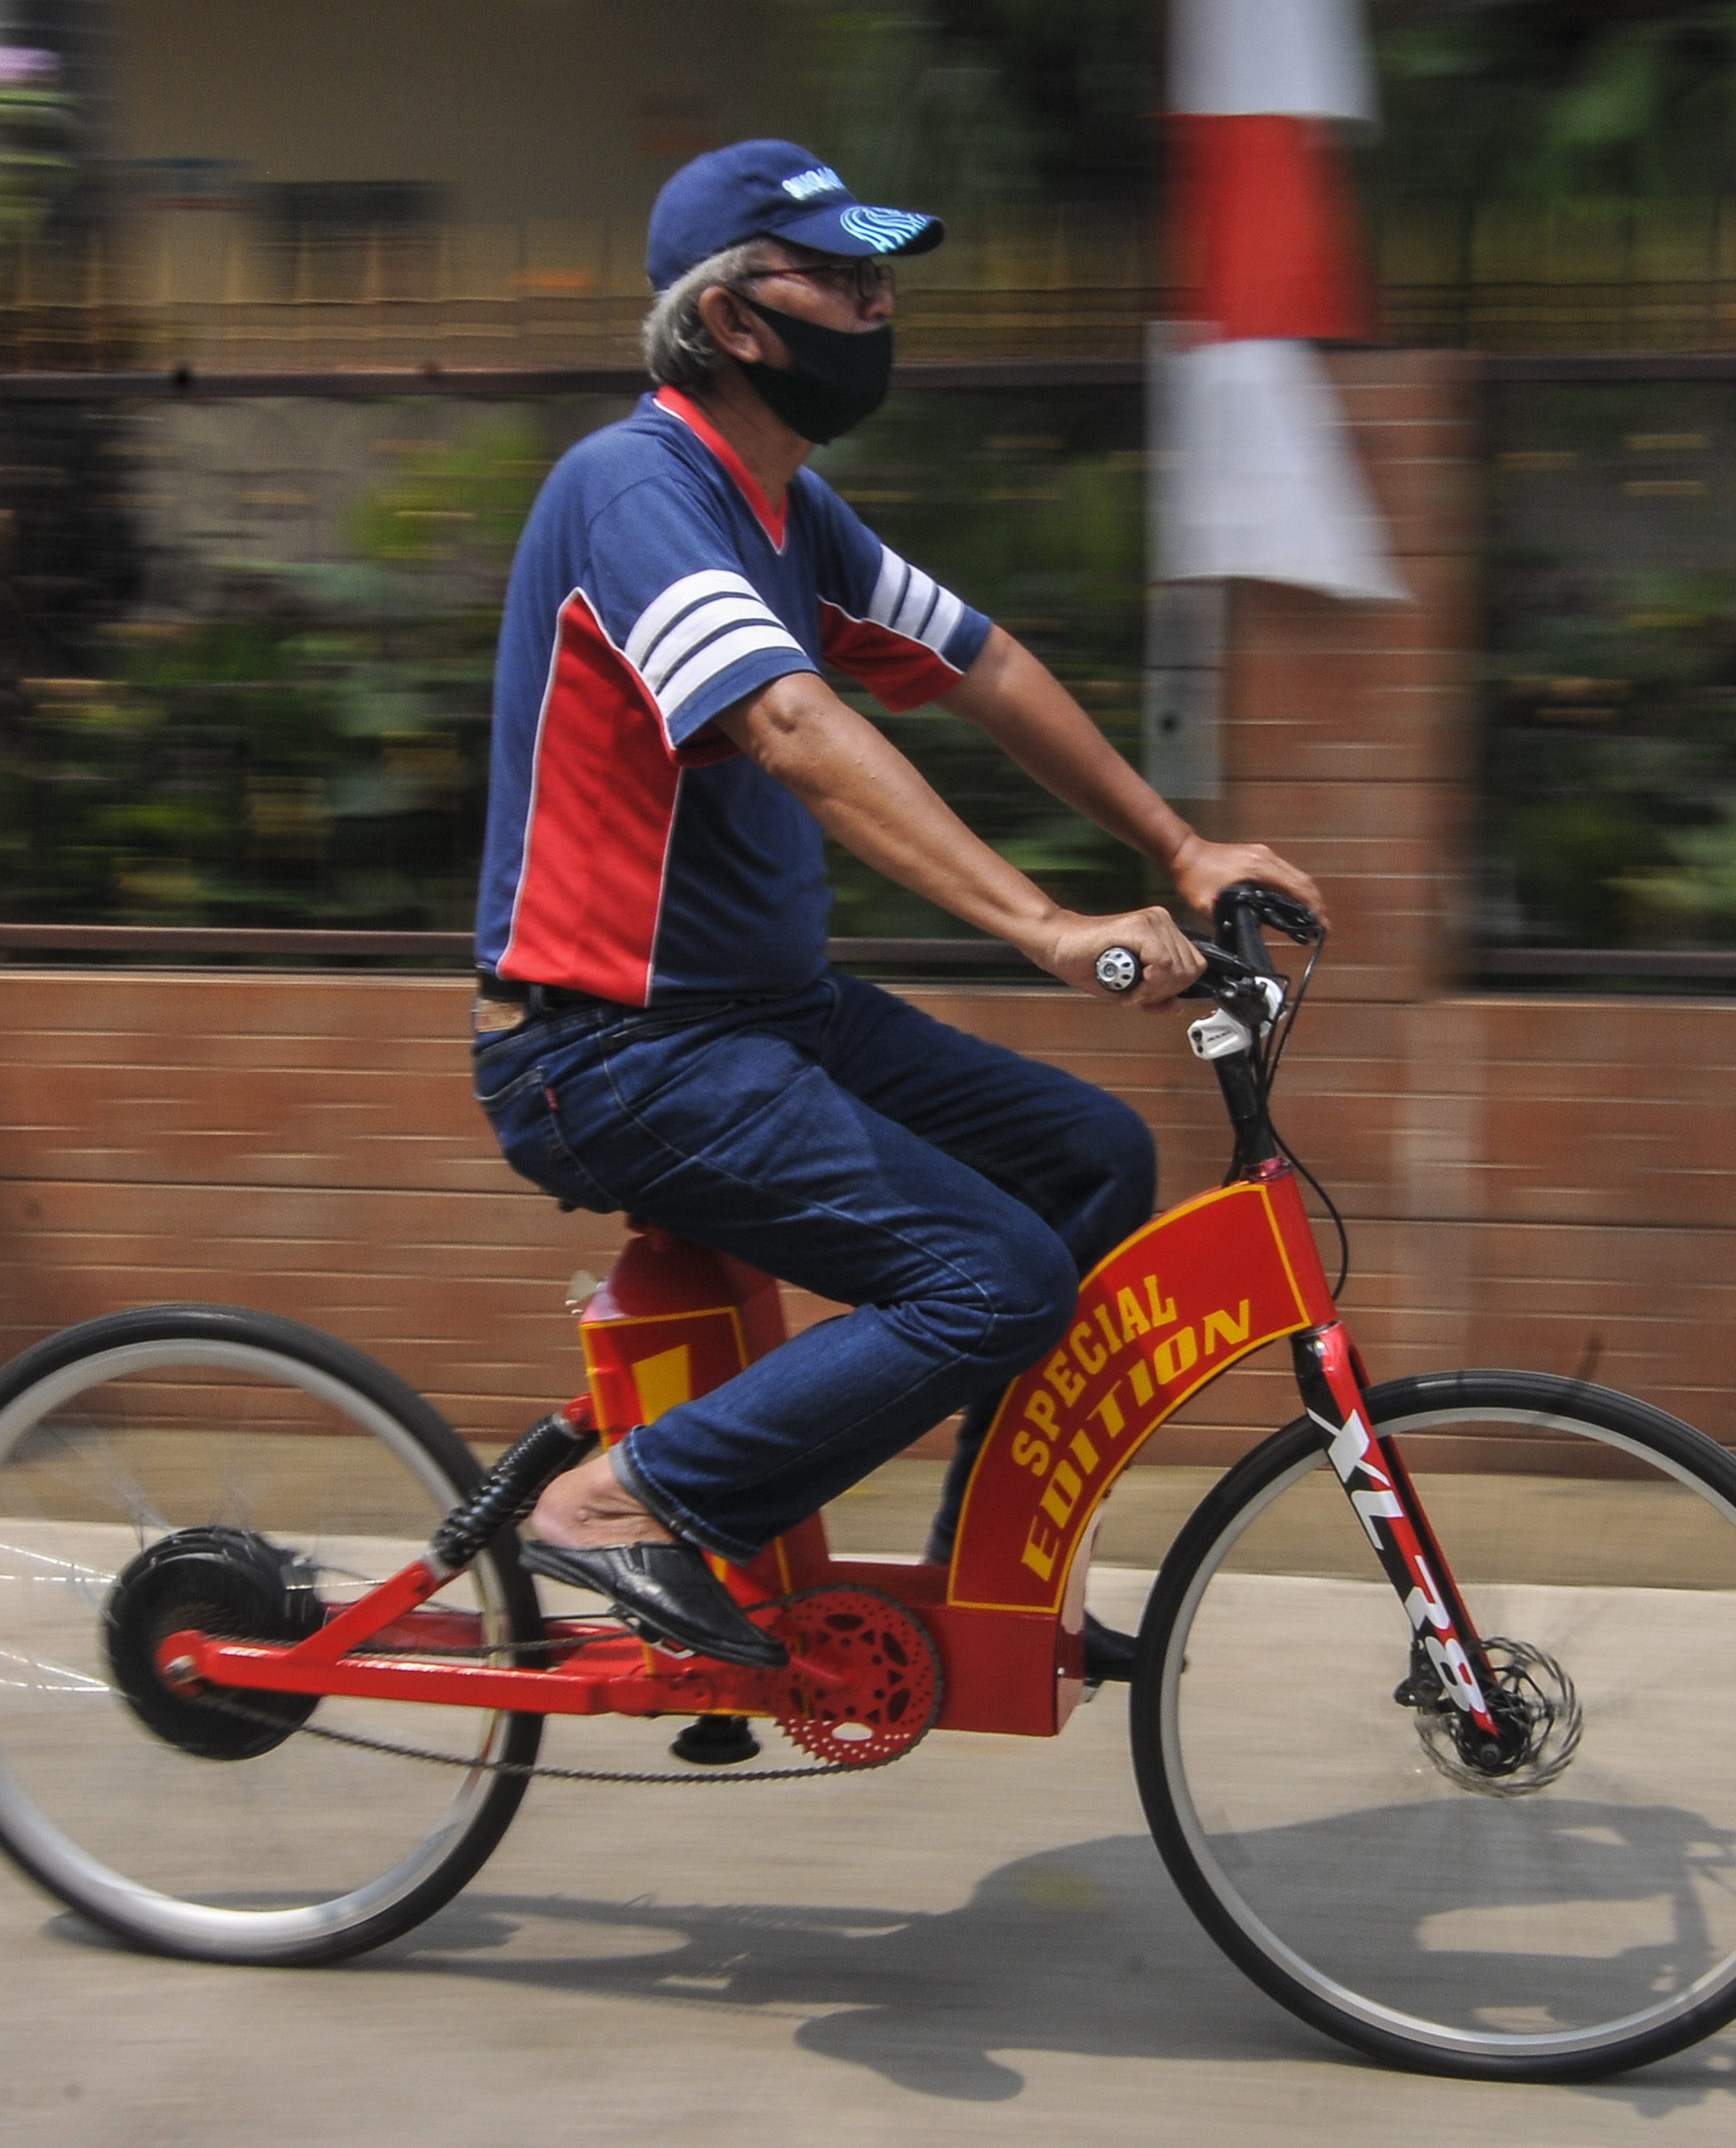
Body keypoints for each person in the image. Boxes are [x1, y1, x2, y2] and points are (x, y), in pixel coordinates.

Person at [471, 141, 1319, 1668]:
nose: (877, 307)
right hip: (603, 1047)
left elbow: (979, 664)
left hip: (758, 1021)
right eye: (844, 279)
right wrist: (1049, 929)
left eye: (882, 280)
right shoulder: (635, 487)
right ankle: (617, 1504)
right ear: (734, 320)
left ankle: (979, 1569)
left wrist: (1178, 848)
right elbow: (792, 726)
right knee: (993, 1278)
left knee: (1090, 1156)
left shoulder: (794, 514)